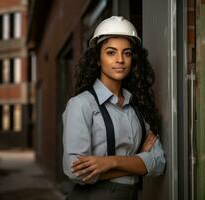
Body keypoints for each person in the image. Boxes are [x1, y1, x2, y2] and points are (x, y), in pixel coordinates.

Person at [62, 16, 166, 200]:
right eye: (111, 52)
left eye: (126, 53)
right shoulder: (81, 105)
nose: (120, 59)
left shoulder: (139, 108)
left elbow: (158, 163)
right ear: (97, 59)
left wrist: (110, 162)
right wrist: (138, 160)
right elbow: (76, 171)